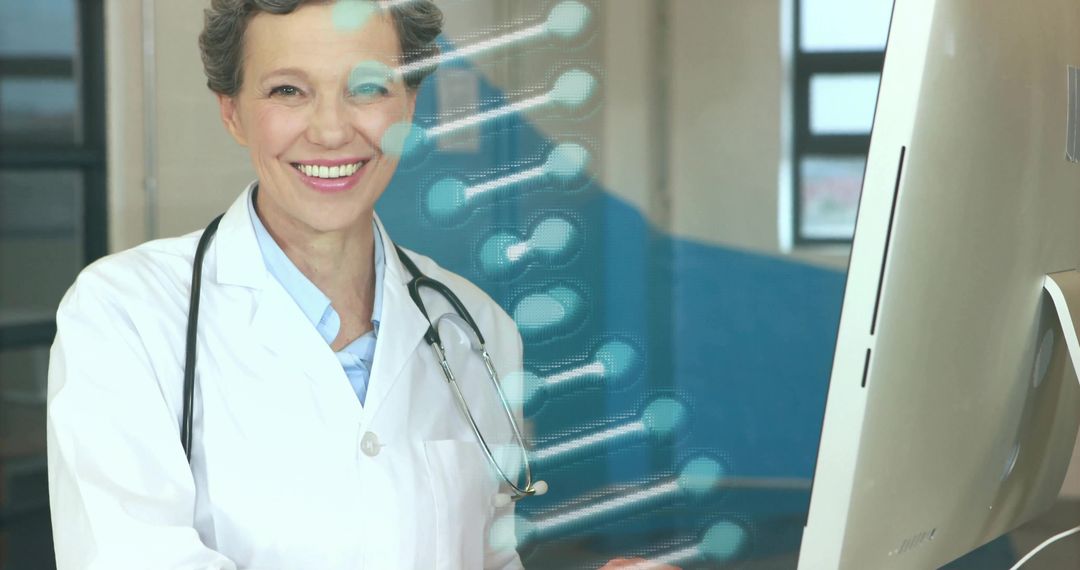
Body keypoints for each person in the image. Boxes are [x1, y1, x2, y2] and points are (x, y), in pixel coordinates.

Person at [47, 1, 675, 568]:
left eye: (368, 88)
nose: (330, 130)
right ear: (233, 112)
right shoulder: (123, 316)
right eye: (288, 90)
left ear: (408, 106)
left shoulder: (477, 329)